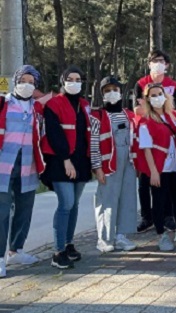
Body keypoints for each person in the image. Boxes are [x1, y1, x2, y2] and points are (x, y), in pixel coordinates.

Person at [41, 66, 93, 269]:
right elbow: (54, 134)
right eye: (69, 78)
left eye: (78, 79)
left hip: (81, 161)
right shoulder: (54, 104)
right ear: (62, 81)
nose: (74, 82)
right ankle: (58, 251)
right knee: (66, 204)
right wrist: (65, 159)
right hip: (61, 161)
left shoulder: (84, 104)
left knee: (75, 205)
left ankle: (69, 243)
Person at [0, 66, 45, 278]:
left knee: (24, 210)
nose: (27, 85)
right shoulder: (3, 103)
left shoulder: (38, 108)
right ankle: (0, 258)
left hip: (28, 166)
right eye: (23, 80)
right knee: (1, 213)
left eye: (31, 82)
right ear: (16, 80)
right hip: (3, 166)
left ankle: (16, 250)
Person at [134, 84, 176, 251]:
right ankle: (161, 235)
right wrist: (153, 172)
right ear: (148, 99)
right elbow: (146, 149)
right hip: (160, 167)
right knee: (158, 201)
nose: (157, 97)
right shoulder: (146, 121)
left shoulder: (174, 116)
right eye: (153, 95)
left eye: (160, 94)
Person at [133, 50, 176, 233]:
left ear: (167, 65)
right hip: (144, 133)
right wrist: (150, 113)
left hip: (165, 133)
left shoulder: (173, 86)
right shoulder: (140, 83)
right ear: (149, 63)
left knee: (166, 180)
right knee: (145, 180)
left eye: (161, 60)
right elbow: (137, 109)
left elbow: (175, 108)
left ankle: (167, 216)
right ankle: (147, 216)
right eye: (154, 60)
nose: (158, 63)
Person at [90, 76, 138, 253]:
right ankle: (104, 238)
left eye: (115, 90)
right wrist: (97, 167)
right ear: (102, 94)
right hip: (108, 163)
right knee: (107, 199)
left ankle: (121, 236)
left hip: (128, 162)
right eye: (107, 90)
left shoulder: (128, 114)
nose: (112, 93)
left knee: (127, 197)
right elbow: (94, 143)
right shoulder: (97, 116)